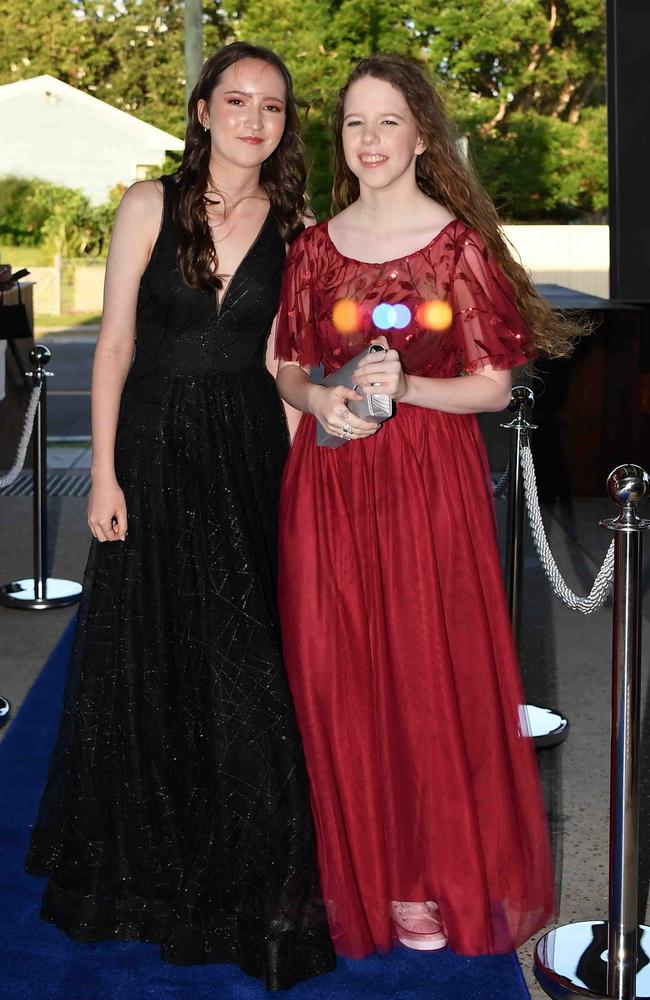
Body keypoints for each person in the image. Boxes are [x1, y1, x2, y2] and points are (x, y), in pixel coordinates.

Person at [26, 42, 335, 991]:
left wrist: (292, 478)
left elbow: (287, 362)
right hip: (154, 452)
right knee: (151, 650)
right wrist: (106, 474)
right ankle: (148, 867)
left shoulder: (301, 223)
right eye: (236, 101)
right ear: (202, 110)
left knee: (249, 665)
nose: (254, 119)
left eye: (272, 107)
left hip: (246, 447)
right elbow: (113, 346)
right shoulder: (147, 206)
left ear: (286, 124)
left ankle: (256, 872)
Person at [275, 55, 577, 959]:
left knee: (421, 669)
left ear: (420, 136)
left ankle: (428, 874)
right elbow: (288, 362)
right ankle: (366, 868)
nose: (368, 141)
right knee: (339, 671)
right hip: (328, 478)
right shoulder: (314, 246)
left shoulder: (458, 248)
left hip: (423, 487)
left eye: (388, 122)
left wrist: (403, 387)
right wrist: (321, 398)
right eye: (354, 124)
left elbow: (492, 389)